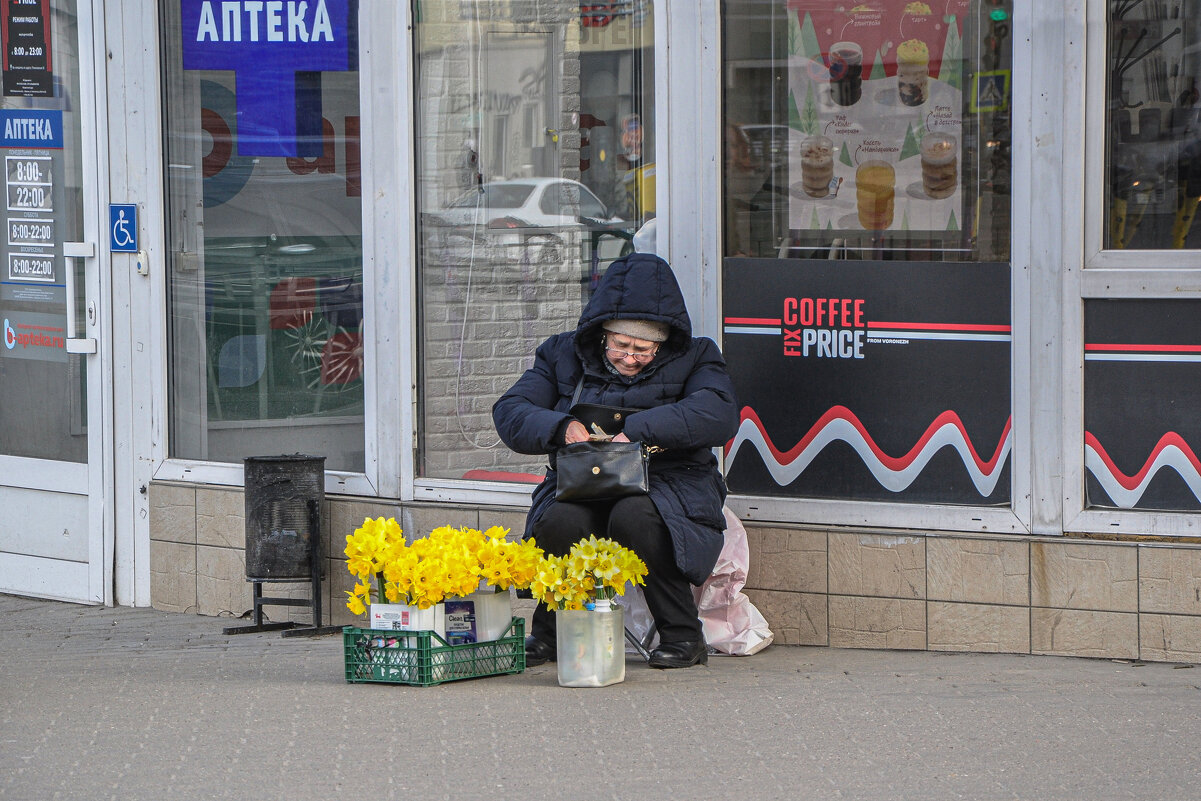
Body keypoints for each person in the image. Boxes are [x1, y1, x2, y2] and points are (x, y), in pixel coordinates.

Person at [492, 253, 740, 669]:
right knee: (560, 522)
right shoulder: (561, 353)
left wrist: (641, 430)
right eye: (621, 345)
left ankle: (682, 635)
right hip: (581, 478)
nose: (629, 358)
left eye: (643, 349)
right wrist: (560, 426)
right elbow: (512, 409)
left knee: (636, 516)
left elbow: (718, 413)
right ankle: (550, 633)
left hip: (670, 481)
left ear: (663, 343)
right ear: (601, 335)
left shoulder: (697, 356)